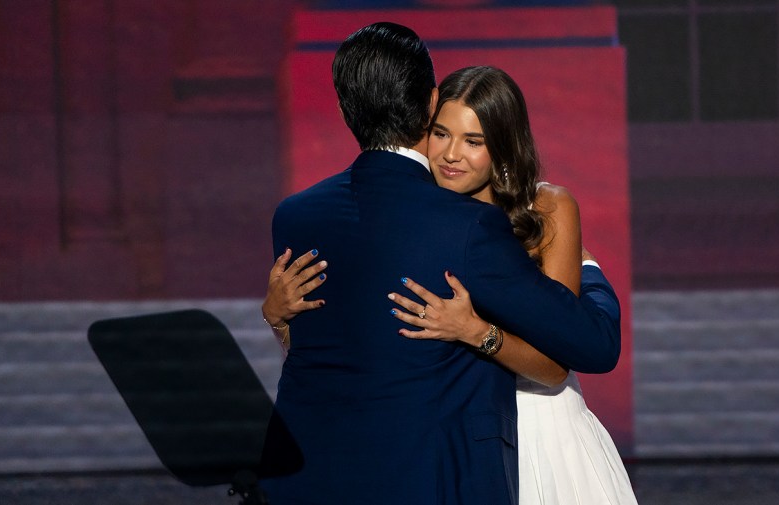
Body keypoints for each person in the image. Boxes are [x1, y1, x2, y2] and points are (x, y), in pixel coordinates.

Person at [260, 23, 620, 505]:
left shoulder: (298, 214)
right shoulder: (455, 224)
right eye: (442, 134)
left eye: (473, 140)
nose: (452, 154)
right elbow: (349, 344)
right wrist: (279, 320)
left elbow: (567, 359)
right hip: (437, 460)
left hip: (522, 432)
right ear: (428, 110)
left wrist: (585, 270)